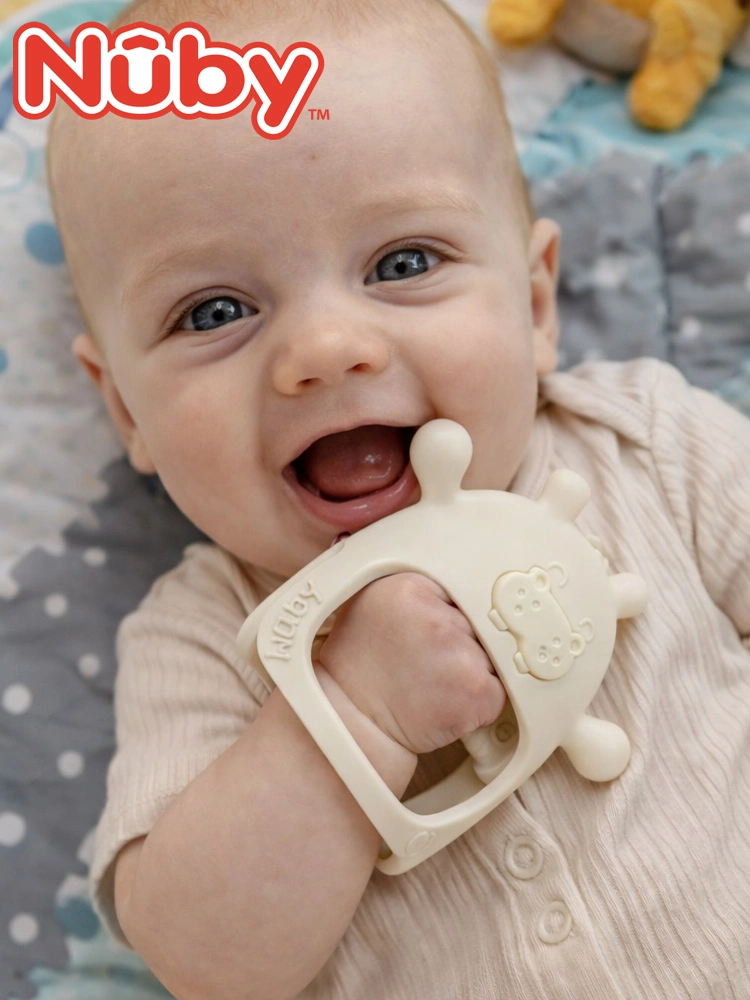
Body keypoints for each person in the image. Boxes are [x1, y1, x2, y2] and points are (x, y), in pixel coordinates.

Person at [45, 0, 750, 997]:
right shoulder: (204, 638)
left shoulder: (652, 446)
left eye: (403, 263)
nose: (328, 349)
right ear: (127, 409)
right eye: (214, 311)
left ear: (535, 305)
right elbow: (207, 962)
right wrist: (354, 713)